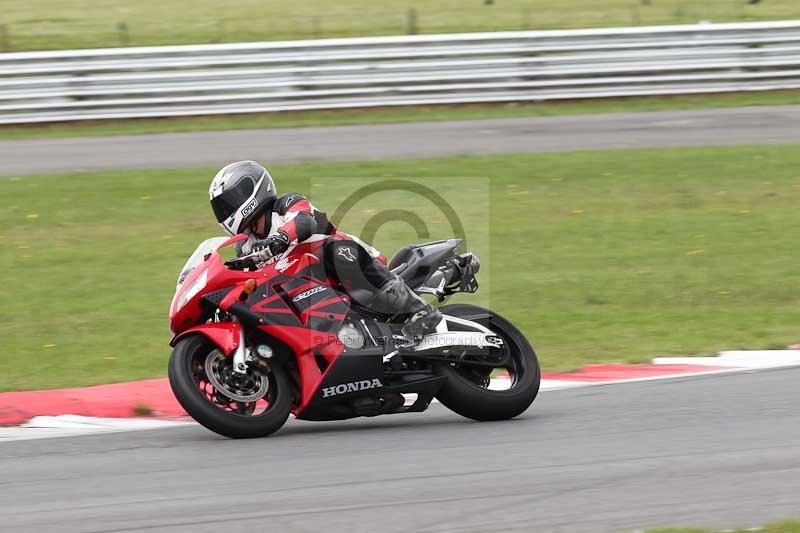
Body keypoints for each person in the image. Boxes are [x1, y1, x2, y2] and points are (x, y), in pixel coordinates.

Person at [208, 160, 442, 340]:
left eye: (231, 200)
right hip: (311, 292)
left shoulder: (285, 205)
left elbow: (304, 221)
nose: (228, 208)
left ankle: (418, 309)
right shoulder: (244, 245)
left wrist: (280, 238)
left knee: (333, 250)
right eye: (223, 206)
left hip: (352, 268)